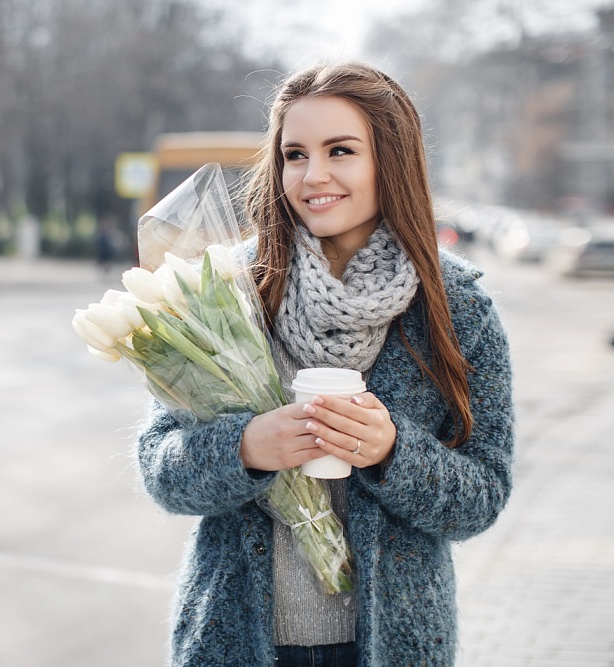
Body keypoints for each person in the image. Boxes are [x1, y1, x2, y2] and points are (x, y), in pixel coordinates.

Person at [135, 62, 515, 666]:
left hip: (394, 647)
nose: (313, 176)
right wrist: (243, 450)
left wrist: (393, 452)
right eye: (294, 154)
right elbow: (161, 469)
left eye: (340, 151)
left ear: (389, 159)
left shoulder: (455, 306)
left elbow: (484, 496)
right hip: (234, 643)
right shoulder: (226, 286)